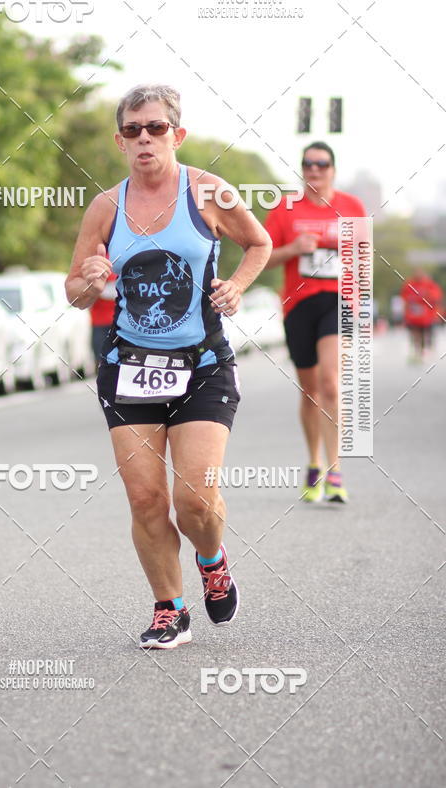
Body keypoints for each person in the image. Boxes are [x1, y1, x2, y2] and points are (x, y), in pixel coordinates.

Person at [65, 84, 271, 649]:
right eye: (133, 131)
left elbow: (260, 243)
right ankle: (169, 608)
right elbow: (74, 292)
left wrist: (236, 285)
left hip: (202, 364)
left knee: (196, 501)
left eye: (156, 128)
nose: (145, 139)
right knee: (145, 499)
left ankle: (212, 558)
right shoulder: (106, 207)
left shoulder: (209, 193)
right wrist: (88, 281)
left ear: (176, 135)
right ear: (119, 141)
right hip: (128, 364)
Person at [264, 141, 366, 504]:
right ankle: (313, 462)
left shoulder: (352, 207)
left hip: (338, 302)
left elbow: (363, 260)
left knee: (330, 382)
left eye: (322, 164)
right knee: (309, 391)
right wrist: (294, 250)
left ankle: (335, 470)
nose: (315, 170)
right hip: (298, 306)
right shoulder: (285, 208)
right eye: (308, 164)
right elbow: (262, 256)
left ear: (333, 169)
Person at [401, 268, 443, 362]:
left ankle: (426, 349)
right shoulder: (409, 284)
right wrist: (405, 313)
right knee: (415, 333)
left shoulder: (430, 285)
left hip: (427, 316)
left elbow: (436, 298)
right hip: (413, 316)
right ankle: (417, 351)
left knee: (426, 333)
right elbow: (404, 299)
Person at [90, 269, 116, 365]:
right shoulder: (95, 260)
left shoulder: (123, 260)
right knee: (101, 357)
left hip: (120, 321)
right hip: (100, 322)